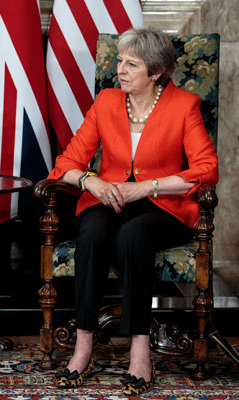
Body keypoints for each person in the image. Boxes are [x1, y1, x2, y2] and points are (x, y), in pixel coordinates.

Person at [48, 27, 218, 395]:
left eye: (131, 64)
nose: (119, 69)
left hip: (165, 208)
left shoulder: (183, 105)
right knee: (91, 232)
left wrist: (147, 186)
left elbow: (207, 169)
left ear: (155, 73)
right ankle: (83, 346)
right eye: (120, 60)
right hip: (108, 197)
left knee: (133, 235)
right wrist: (91, 181)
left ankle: (140, 350)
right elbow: (67, 163)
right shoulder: (107, 102)